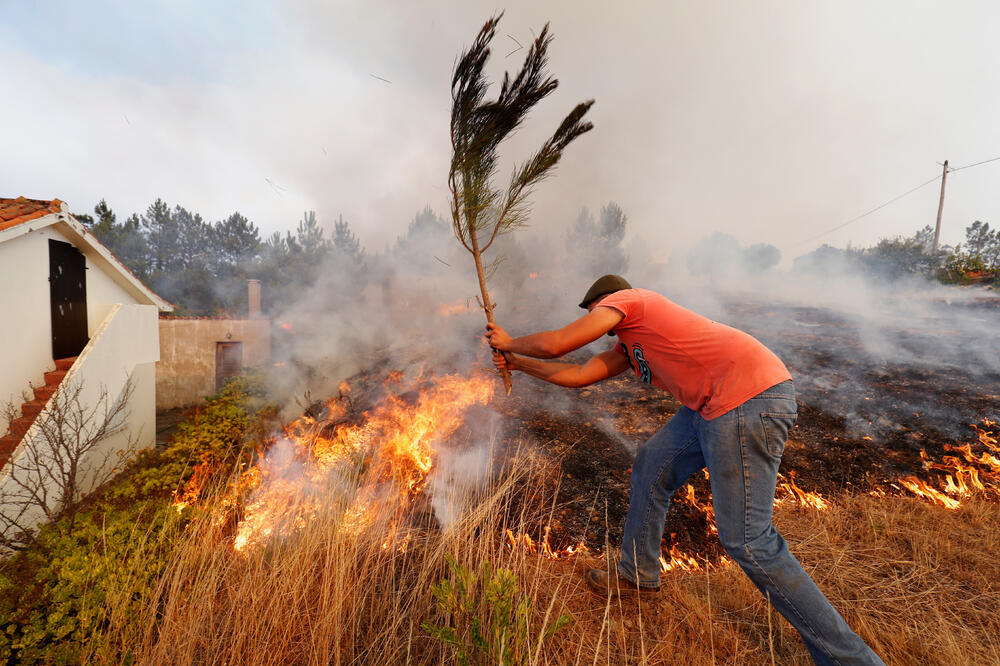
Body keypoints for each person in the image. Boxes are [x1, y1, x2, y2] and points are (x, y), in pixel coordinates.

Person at [485, 275, 883, 666]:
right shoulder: (630, 345)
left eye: (595, 314)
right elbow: (577, 375)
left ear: (606, 303)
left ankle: (851, 659)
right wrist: (518, 363)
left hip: (745, 399)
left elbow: (558, 345)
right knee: (651, 466)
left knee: (748, 541)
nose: (602, 328)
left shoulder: (631, 300)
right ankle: (637, 575)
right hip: (709, 408)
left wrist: (509, 341)